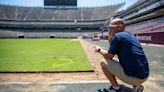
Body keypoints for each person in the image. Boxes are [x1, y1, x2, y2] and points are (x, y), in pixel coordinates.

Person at [93, 18, 149, 92]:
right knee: (130, 60)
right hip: (144, 75)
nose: (109, 30)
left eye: (111, 28)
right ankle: (136, 88)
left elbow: (109, 56)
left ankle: (115, 88)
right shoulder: (130, 35)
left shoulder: (117, 36)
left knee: (103, 61)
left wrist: (99, 49)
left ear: (119, 27)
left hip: (135, 78)